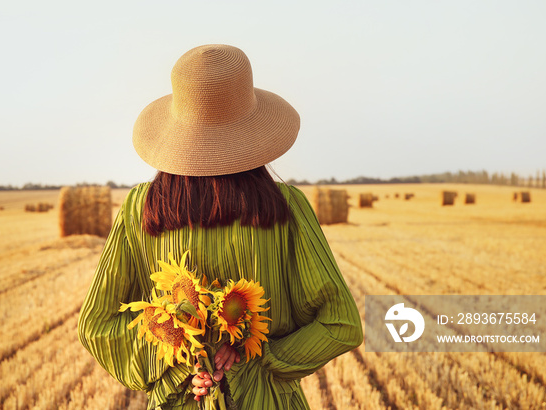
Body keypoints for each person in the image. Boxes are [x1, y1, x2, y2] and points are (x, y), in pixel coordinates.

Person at [78, 44, 363, 409]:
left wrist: (178, 361)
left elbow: (96, 326)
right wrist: (260, 359)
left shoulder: (140, 208)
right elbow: (341, 323)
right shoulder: (286, 208)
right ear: (253, 126)